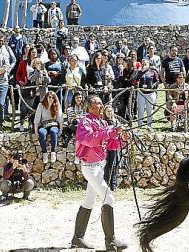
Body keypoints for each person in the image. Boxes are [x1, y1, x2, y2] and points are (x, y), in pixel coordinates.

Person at [71, 95, 130, 250]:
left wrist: (121, 139)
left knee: (89, 202)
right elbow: (89, 140)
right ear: (90, 107)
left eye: (101, 103)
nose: (101, 105)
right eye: (98, 103)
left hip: (99, 166)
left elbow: (111, 145)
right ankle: (110, 241)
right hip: (90, 167)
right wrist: (110, 131)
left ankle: (77, 238)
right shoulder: (85, 122)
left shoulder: (102, 122)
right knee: (108, 198)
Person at [34, 91, 63, 164]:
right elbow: (37, 118)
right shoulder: (41, 105)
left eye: (53, 97)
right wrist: (36, 131)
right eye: (49, 97)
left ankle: (53, 152)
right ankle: (44, 153)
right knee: (42, 133)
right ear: (46, 97)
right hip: (44, 124)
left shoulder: (57, 105)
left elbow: (60, 119)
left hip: (54, 124)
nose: (51, 99)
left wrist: (61, 130)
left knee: (53, 131)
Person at [135, 59, 159, 127]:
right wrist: (140, 73)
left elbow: (157, 81)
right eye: (143, 64)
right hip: (141, 93)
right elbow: (135, 81)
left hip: (150, 93)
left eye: (145, 64)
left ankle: (149, 125)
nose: (144, 65)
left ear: (149, 64)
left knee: (149, 109)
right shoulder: (140, 72)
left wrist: (152, 87)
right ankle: (139, 125)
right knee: (141, 109)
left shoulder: (153, 72)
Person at [103, 105, 121, 191]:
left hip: (114, 145)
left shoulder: (116, 122)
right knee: (106, 164)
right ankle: (105, 181)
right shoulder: (103, 122)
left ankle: (113, 183)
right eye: (108, 111)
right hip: (106, 144)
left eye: (111, 111)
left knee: (113, 163)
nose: (110, 113)